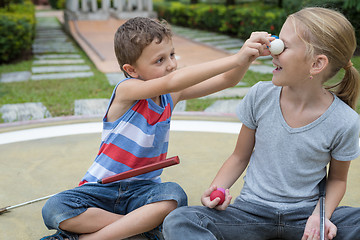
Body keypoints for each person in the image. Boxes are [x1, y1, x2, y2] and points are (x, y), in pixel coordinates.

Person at [40, 17, 273, 240]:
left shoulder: (170, 96)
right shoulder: (126, 91)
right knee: (55, 208)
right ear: (132, 70)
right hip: (102, 190)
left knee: (174, 197)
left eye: (171, 54)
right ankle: (142, 226)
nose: (171, 64)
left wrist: (248, 58)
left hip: (144, 192)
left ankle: (93, 237)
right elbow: (172, 81)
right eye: (159, 60)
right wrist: (236, 57)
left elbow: (227, 81)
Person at [163, 7, 360, 240]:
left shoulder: (344, 120)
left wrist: (320, 216)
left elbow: (337, 179)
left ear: (317, 64)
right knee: (181, 220)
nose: (272, 51)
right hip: (250, 213)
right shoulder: (260, 95)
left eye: (282, 46)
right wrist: (217, 189)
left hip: (305, 218)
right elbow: (239, 156)